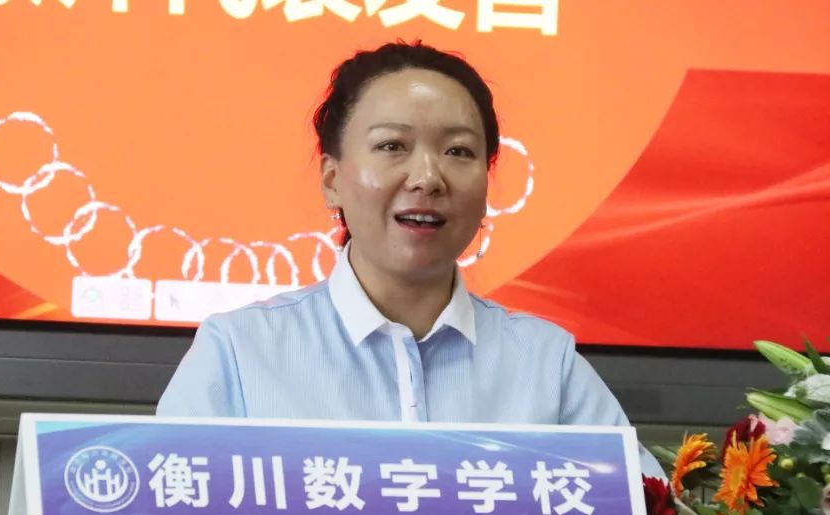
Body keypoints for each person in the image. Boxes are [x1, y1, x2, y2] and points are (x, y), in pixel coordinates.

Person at [157, 41, 662, 478]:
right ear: (332, 180)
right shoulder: (240, 352)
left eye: (458, 152)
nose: (427, 178)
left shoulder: (546, 363)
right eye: (392, 145)